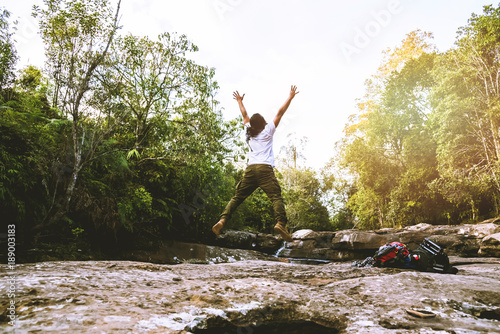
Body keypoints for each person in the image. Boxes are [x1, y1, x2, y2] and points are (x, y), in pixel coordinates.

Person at [212, 85, 299, 242]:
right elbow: (280, 112)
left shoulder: (248, 131)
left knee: (238, 197)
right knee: (275, 197)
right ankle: (281, 223)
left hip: (251, 170)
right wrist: (290, 97)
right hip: (265, 169)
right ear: (264, 124)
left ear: (252, 125)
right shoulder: (268, 130)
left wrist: (239, 101)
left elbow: (244, 114)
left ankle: (222, 220)